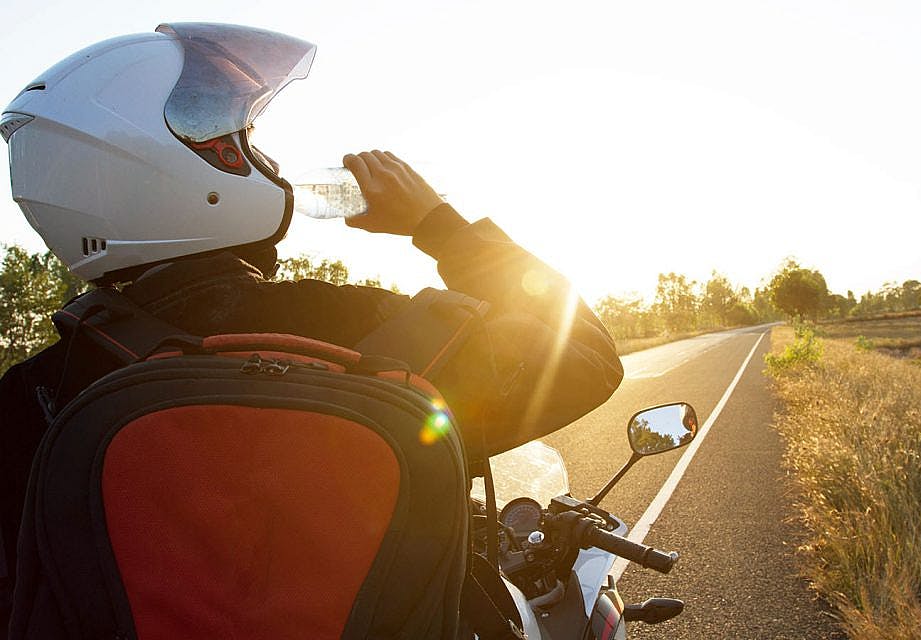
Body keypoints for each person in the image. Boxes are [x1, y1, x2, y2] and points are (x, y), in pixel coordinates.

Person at [0, 23, 623, 634]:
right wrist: (439, 225)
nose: (265, 161)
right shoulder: (381, 332)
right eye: (240, 141)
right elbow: (589, 351)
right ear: (192, 165)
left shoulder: (31, 398)